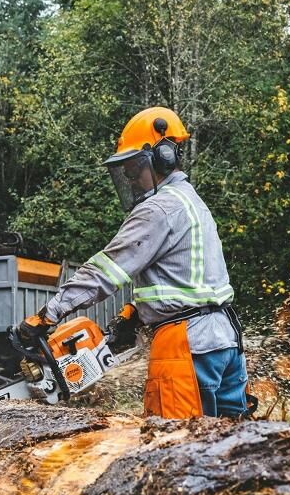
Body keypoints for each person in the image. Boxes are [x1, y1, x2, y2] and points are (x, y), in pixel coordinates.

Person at [16, 106, 251, 419]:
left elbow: (105, 272)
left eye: (134, 169)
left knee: (176, 446)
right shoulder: (193, 203)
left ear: (163, 157)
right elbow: (189, 279)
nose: (132, 179)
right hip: (225, 341)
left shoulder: (159, 209)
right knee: (233, 444)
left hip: (186, 345)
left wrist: (48, 315)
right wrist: (137, 313)